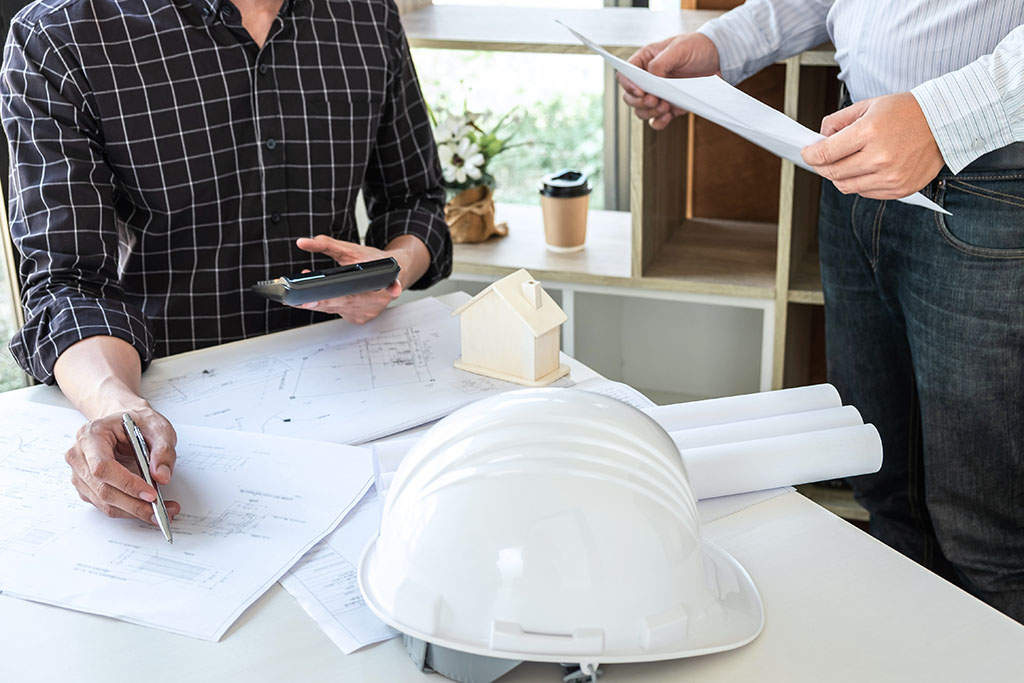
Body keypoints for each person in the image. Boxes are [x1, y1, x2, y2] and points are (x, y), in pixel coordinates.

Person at [619, 0, 1024, 623]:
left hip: (993, 182)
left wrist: (943, 117)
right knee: (879, 482)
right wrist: (726, 42)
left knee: (989, 535)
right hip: (856, 171)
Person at [1, 0, 451, 526]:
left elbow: (416, 200)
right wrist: (112, 405)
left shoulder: (367, 13)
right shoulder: (60, 34)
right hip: (173, 415)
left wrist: (389, 269)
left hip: (353, 393)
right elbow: (67, 282)